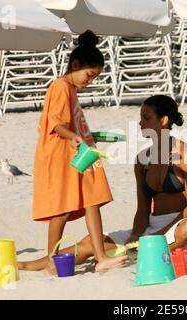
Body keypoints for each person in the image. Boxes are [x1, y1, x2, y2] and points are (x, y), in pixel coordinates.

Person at [18, 95, 187, 272]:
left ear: (163, 120)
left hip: (179, 224)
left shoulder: (185, 155)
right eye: (141, 118)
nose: (140, 123)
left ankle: (145, 252)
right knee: (91, 242)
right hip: (150, 226)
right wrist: (136, 235)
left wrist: (154, 238)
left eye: (146, 118)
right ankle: (26, 266)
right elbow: (143, 209)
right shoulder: (142, 159)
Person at [21, 30, 127, 273]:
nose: (89, 81)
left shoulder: (70, 89)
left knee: (93, 200)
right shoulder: (60, 86)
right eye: (89, 75)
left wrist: (91, 136)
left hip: (77, 152)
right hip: (60, 155)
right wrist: (75, 137)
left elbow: (70, 123)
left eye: (94, 78)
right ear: (75, 64)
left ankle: (101, 257)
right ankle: (51, 259)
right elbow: (56, 124)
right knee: (62, 209)